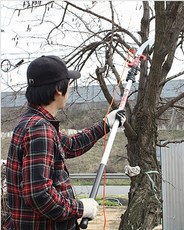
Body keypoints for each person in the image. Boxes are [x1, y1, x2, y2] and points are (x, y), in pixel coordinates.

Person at [4, 55, 126, 230]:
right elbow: (40, 195)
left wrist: (105, 124)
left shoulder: (31, 122)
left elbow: (70, 145)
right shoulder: (40, 130)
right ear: (58, 90)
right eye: (68, 82)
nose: (70, 87)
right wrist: (80, 208)